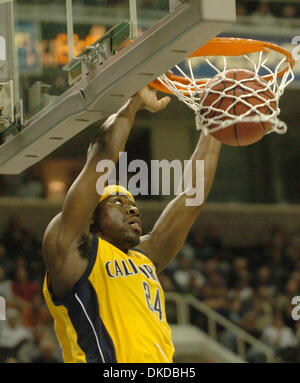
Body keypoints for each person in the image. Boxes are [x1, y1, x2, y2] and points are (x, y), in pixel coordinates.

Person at [42, 85, 222, 363]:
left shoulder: (146, 256)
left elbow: (191, 199)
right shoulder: (75, 251)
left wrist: (215, 123)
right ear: (92, 218)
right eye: (118, 203)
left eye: (134, 205)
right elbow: (101, 157)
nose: (132, 210)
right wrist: (133, 102)